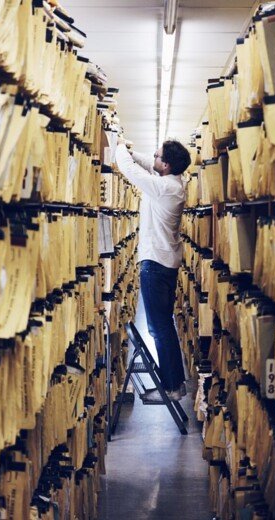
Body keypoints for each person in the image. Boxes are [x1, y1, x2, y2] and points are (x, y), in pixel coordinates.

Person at [115, 138, 191, 401]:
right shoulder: (171, 183)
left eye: (158, 156)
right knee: (164, 326)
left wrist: (116, 146)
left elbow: (130, 170)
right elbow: (147, 162)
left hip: (155, 266)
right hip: (164, 264)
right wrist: (129, 148)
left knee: (159, 329)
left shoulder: (162, 188)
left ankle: (171, 388)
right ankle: (176, 384)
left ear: (166, 165)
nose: (153, 157)